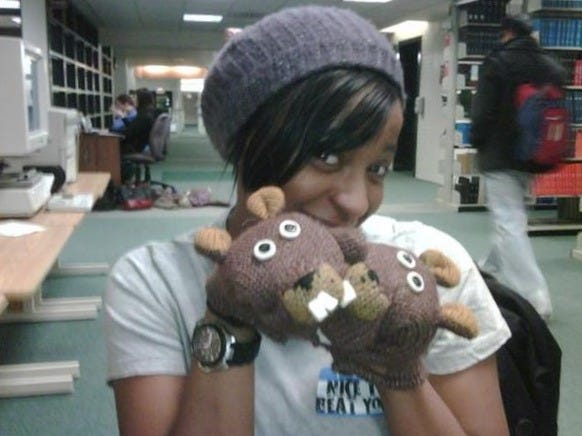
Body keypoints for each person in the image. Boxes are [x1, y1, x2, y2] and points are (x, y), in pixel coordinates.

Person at [104, 6, 511, 435]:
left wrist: (395, 365)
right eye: (327, 156)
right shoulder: (155, 282)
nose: (356, 203)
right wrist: (228, 317)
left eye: (377, 168)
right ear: (248, 144)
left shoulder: (424, 270)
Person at [470, 14, 565, 321]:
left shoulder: (497, 63)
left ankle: (536, 298)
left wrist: (477, 141)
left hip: (500, 156)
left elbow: (482, 113)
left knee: (509, 221)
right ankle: (487, 268)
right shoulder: (549, 65)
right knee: (511, 217)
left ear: (507, 32)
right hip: (533, 156)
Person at [117, 87, 159, 154]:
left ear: (141, 100)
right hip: (140, 144)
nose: (132, 100)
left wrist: (112, 132)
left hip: (134, 147)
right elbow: (134, 127)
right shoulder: (148, 112)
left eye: (135, 98)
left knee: (108, 143)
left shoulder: (144, 116)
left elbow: (128, 133)